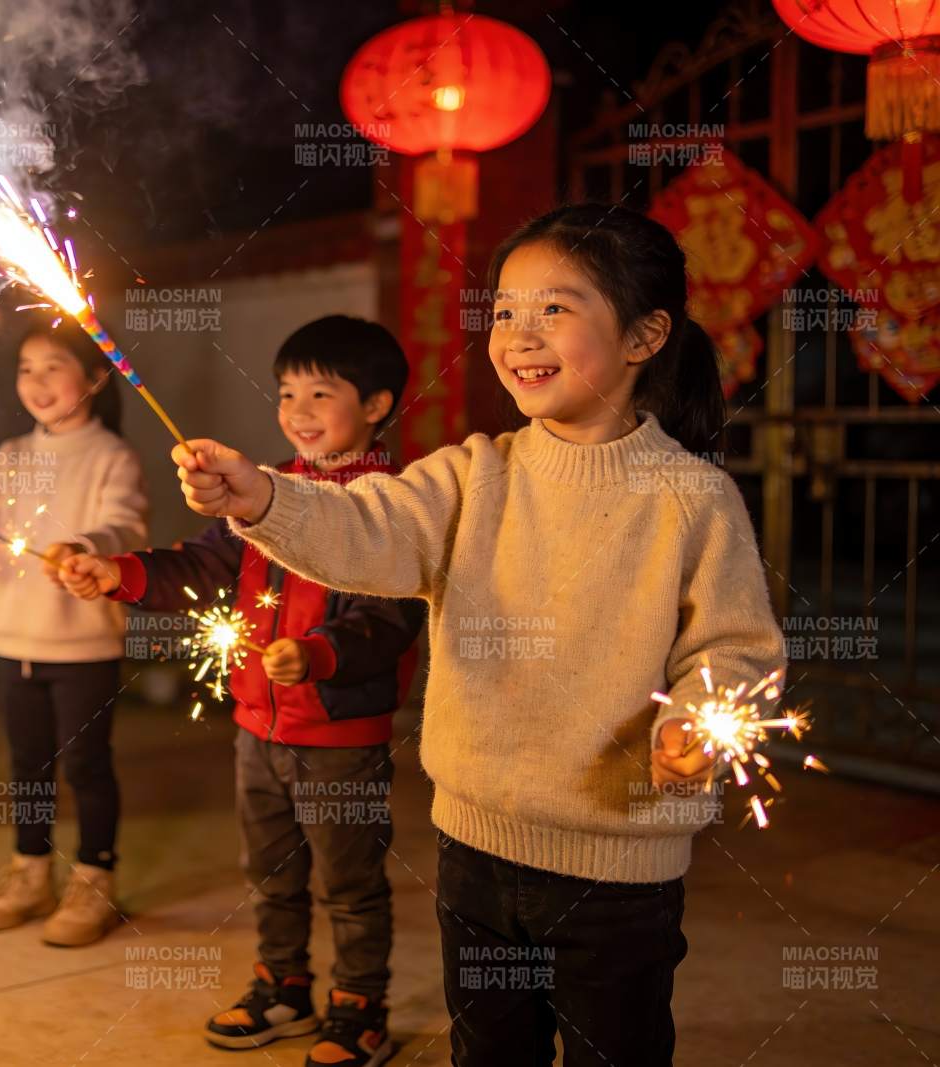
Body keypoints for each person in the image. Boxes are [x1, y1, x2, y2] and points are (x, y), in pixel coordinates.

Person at [166, 206, 788, 1067]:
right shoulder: (473, 472)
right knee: (490, 1048)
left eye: (555, 309)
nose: (518, 335)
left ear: (646, 334)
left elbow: (734, 650)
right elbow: (366, 525)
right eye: (503, 311)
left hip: (617, 867)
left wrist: (698, 719)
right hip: (475, 848)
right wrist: (264, 498)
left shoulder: (690, 498)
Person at [61, 315, 424, 1067]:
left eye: (320, 393)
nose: (296, 410)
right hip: (257, 726)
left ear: (378, 405)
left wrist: (320, 653)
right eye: (288, 392)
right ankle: (283, 985)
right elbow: (200, 564)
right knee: (271, 871)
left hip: (339, 737)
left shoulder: (388, 503)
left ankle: (360, 1007)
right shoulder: (268, 494)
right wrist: (120, 573)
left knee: (351, 882)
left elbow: (391, 617)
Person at [0, 322, 148, 946]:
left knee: (88, 766)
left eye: (52, 366)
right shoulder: (11, 456)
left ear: (95, 377)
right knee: (27, 764)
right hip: (16, 643)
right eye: (25, 368)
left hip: (84, 644)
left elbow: (125, 526)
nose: (36, 382)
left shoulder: (112, 457)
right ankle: (31, 872)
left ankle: (95, 878)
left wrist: (86, 547)